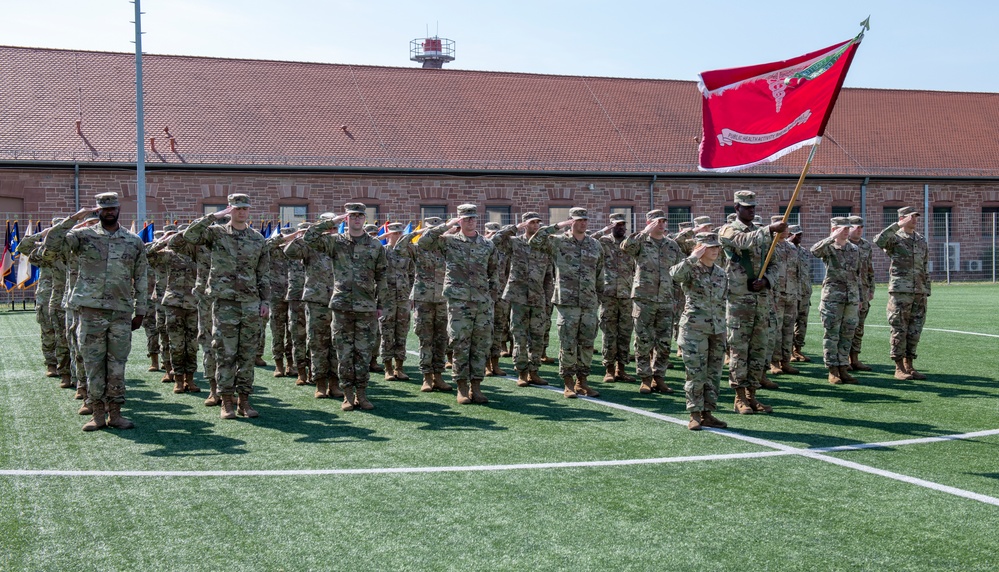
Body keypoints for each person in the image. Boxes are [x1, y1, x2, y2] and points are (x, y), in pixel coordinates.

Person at [46, 192, 148, 431]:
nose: (109, 211)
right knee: (93, 363)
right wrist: (76, 217)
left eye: (113, 207)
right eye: (104, 208)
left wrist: (141, 309)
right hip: (91, 311)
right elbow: (51, 245)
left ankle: (116, 413)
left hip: (121, 312)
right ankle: (97, 413)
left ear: (119, 209)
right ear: (98, 211)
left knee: (116, 365)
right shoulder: (82, 236)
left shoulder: (133, 241)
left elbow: (142, 276)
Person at [183, 193, 271, 419]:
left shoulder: (257, 238)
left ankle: (244, 401)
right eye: (237, 208)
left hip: (250, 303)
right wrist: (213, 216)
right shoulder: (216, 233)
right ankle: (226, 402)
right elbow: (189, 235)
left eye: (245, 208)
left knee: (247, 354)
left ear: (249, 210)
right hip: (224, 303)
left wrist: (265, 301)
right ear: (230, 210)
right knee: (225, 353)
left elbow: (263, 273)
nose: (241, 212)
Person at [303, 203, 387, 410]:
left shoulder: (375, 245)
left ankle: (362, 394)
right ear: (347, 219)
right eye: (352, 216)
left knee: (363, 353)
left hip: (366, 306)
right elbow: (309, 237)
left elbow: (382, 277)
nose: (356, 219)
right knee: (343, 352)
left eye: (360, 216)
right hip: (341, 306)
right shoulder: (335, 242)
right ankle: (347, 395)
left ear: (364, 219)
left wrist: (381, 304)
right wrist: (333, 221)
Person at [418, 204, 499, 405]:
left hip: (481, 301)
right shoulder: (449, 241)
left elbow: (494, 271)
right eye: (466, 218)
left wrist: (491, 296)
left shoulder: (487, 244)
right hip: (459, 302)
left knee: (480, 345)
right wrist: (446, 226)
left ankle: (477, 387)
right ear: (459, 220)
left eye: (473, 218)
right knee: (460, 344)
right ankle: (462, 387)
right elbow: (423, 243)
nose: (470, 221)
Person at [718, 190, 784, 415]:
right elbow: (742, 242)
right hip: (739, 300)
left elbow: (776, 263)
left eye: (754, 206)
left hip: (761, 300)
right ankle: (739, 397)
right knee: (739, 349)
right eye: (747, 207)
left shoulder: (763, 234)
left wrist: (767, 281)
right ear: (736, 208)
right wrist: (770, 230)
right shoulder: (728, 230)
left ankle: (753, 395)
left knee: (759, 349)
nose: (751, 210)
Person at [529, 207, 604, 398]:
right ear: (571, 221)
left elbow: (599, 274)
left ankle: (582, 382)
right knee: (568, 343)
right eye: (578, 220)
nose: (582, 223)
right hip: (567, 302)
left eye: (585, 220)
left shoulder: (595, 245)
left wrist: (599, 298)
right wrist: (556, 226)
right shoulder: (558, 242)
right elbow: (535, 240)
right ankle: (568, 383)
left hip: (588, 302)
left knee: (587, 343)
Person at [670, 232, 729, 430]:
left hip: (717, 328)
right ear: (699, 248)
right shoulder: (690, 269)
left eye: (716, 247)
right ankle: (694, 413)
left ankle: (708, 413)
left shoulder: (721, 273)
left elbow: (723, 300)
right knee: (695, 373)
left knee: (713, 373)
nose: (715, 250)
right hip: (694, 329)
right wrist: (692, 257)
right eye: (710, 247)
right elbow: (674, 274)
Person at [621, 209, 684, 395]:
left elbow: (680, 270)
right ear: (649, 222)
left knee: (664, 343)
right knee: (643, 341)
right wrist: (644, 232)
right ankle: (645, 378)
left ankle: (659, 378)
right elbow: (625, 247)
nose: (662, 224)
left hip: (666, 299)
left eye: (664, 221)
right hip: (644, 299)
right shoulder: (641, 242)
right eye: (657, 221)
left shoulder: (672, 245)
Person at [284, 218, 345, 400]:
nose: (331, 230)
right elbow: (290, 251)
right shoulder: (311, 245)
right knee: (317, 343)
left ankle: (334, 383)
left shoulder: (342, 244)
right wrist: (315, 231)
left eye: (334, 227)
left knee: (337, 343)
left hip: (339, 299)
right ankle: (319, 382)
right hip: (316, 300)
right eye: (329, 226)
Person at [490, 212, 552, 388]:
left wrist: (547, 298)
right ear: (526, 224)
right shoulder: (515, 243)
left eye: (537, 223)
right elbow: (496, 240)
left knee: (537, 336)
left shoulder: (545, 245)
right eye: (532, 223)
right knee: (520, 337)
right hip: (518, 296)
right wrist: (515, 228)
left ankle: (534, 371)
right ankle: (522, 372)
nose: (535, 226)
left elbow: (548, 275)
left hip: (538, 297)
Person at [875, 206, 931, 380]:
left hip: (919, 291)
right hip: (901, 290)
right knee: (899, 328)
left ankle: (910, 365)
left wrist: (926, 289)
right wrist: (897, 225)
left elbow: (925, 265)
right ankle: (898, 367)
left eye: (916, 217)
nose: (915, 220)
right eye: (911, 217)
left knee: (915, 329)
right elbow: (878, 240)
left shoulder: (921, 239)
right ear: (902, 218)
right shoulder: (895, 238)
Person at [397, 217, 453, 392]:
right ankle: (427, 377)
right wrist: (416, 233)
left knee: (441, 339)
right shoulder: (419, 247)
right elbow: (398, 247)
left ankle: (439, 375)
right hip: (423, 299)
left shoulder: (447, 247)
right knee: (425, 339)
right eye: (430, 229)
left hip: (443, 299)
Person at [150, 226, 202, 394]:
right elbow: (148, 254)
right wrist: (166, 238)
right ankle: (178, 378)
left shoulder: (200, 256)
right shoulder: (170, 256)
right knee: (176, 344)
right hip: (173, 304)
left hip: (193, 305)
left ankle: (190, 379)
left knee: (192, 344)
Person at [811, 218, 861, 385]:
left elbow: (857, 274)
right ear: (834, 229)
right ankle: (832, 369)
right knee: (832, 334)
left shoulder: (854, 249)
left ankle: (843, 368)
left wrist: (858, 296)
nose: (846, 231)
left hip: (851, 298)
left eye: (848, 228)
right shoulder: (829, 248)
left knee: (847, 334)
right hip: (832, 297)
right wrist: (832, 237)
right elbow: (814, 251)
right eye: (842, 228)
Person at [594, 212, 636, 383]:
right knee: (609, 333)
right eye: (616, 225)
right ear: (611, 225)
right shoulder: (603, 242)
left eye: (622, 225)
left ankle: (622, 369)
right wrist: (604, 230)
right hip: (608, 294)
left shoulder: (630, 243)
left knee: (625, 333)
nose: (620, 228)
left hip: (627, 295)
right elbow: (589, 239)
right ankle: (609, 369)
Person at [379, 222, 415, 381]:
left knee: (402, 333)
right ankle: (387, 368)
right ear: (388, 235)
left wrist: (411, 295)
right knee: (386, 333)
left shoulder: (407, 253)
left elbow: (413, 274)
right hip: (386, 300)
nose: (398, 236)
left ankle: (399, 367)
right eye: (394, 233)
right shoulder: (382, 252)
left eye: (400, 233)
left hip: (403, 299)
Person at [483, 221, 511, 377]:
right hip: (486, 294)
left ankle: (495, 363)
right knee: (486, 330)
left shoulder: (504, 251)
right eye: (490, 232)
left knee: (499, 328)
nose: (493, 235)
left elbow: (507, 272)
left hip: (501, 295)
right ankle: (486, 365)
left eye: (496, 232)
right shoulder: (483, 247)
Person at [848, 215, 876, 372]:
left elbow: (870, 269)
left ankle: (855, 358)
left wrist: (871, 289)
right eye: (855, 227)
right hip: (848, 291)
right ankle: (843, 359)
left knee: (859, 327)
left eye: (861, 227)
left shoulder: (866, 246)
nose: (858, 230)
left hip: (863, 291)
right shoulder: (841, 245)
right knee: (847, 327)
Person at [788, 226, 814, 363]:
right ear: (789, 235)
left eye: (800, 235)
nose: (799, 237)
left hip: (804, 292)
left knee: (802, 323)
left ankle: (798, 349)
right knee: (790, 323)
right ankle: (789, 351)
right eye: (797, 235)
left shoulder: (803, 252)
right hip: (791, 292)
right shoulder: (785, 250)